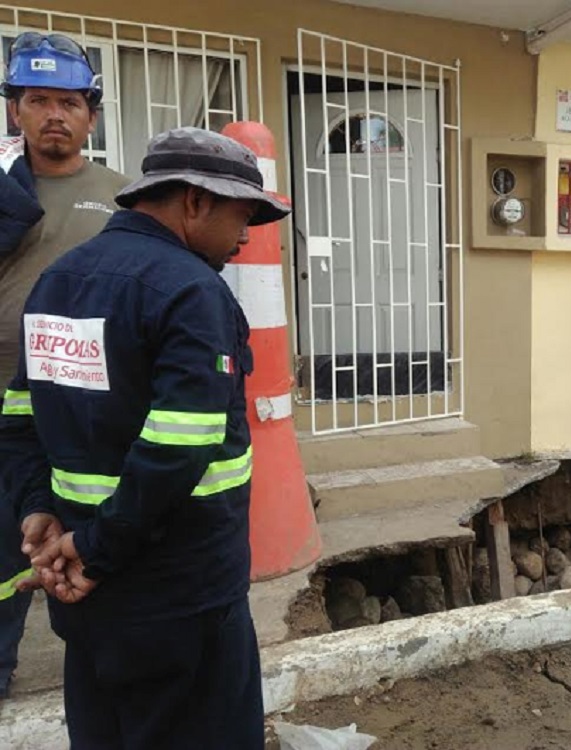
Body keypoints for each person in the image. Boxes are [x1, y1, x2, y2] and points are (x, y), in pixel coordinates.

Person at [0, 126, 289, 749]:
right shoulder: (191, 291)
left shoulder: (59, 279)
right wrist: (97, 548)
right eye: (242, 216)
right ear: (193, 202)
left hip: (85, 593)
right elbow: (181, 444)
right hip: (179, 590)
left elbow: (20, 415)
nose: (245, 238)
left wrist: (39, 511)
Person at [0, 31, 129, 699]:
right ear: (14, 110)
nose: (54, 113)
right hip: (4, 406)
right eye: (38, 99)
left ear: (91, 116)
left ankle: (107, 674)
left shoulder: (123, 195)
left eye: (68, 102)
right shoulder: (1, 191)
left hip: (88, 413)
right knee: (5, 550)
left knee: (94, 545)